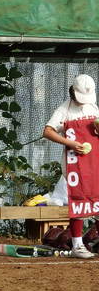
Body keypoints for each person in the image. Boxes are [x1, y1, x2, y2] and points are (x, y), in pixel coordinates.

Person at [42, 73, 99, 258]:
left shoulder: (93, 107)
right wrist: (70, 143)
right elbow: (48, 131)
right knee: (80, 199)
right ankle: (77, 245)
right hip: (75, 164)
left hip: (93, 163)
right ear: (73, 93)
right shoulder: (63, 110)